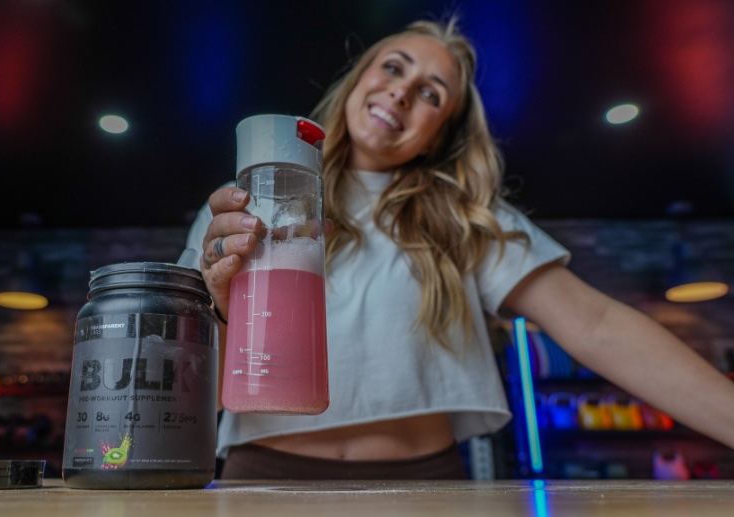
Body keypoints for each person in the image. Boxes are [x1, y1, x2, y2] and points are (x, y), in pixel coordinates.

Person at [185, 16, 734, 480]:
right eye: (394, 67)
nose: (402, 91)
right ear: (360, 78)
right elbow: (186, 388)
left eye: (430, 94)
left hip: (423, 479)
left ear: (439, 134)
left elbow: (596, 325)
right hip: (261, 473)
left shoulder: (465, 215)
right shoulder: (245, 205)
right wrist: (221, 309)